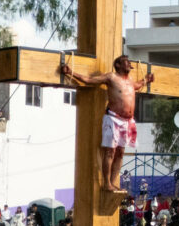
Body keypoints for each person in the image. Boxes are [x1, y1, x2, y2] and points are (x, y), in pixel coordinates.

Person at [62, 55, 154, 192]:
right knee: (110, 151)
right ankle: (106, 183)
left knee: (121, 152)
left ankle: (112, 182)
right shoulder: (111, 77)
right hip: (113, 118)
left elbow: (138, 85)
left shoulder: (130, 81)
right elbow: (89, 80)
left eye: (129, 63)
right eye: (126, 62)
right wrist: (71, 73)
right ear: (117, 65)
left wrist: (146, 80)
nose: (129, 64)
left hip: (127, 121)